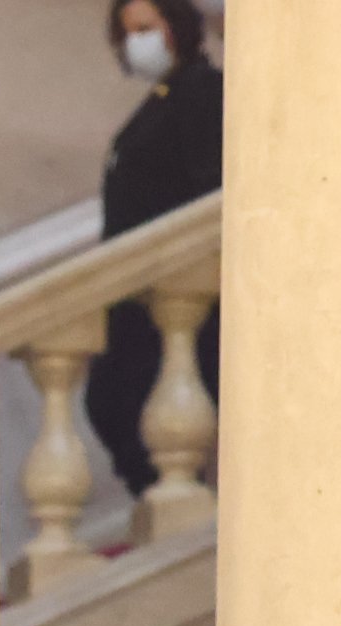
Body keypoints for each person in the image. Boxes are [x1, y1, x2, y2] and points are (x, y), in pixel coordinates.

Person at [90, 0, 224, 504]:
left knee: (132, 399)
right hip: (137, 296)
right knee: (117, 397)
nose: (136, 44)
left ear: (177, 27)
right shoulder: (162, 101)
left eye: (146, 29)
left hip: (173, 296)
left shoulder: (204, 95)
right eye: (127, 35)